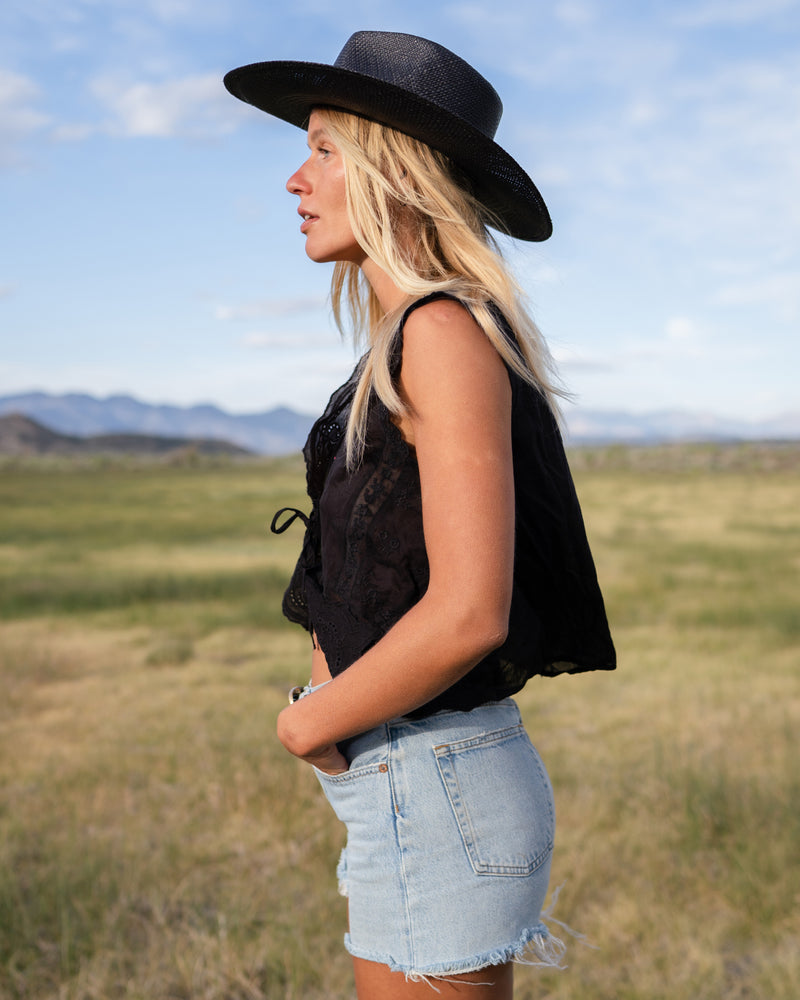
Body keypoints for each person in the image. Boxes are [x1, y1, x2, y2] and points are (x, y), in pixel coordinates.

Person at [224, 30, 615, 999]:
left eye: (322, 148)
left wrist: (306, 725)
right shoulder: (418, 336)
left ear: (391, 170)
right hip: (415, 783)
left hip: (433, 785)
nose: (294, 178)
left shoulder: (440, 333)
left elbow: (469, 611)